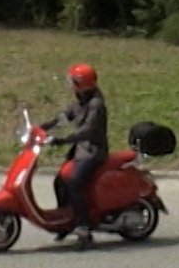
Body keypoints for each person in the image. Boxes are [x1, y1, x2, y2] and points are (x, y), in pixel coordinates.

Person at [43, 62, 108, 248]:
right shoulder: (80, 99)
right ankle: (66, 219)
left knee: (75, 181)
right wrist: (42, 127)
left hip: (93, 151)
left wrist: (62, 140)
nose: (71, 86)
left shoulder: (96, 104)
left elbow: (87, 131)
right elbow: (64, 117)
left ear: (82, 84)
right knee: (59, 181)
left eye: (74, 82)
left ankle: (84, 227)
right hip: (81, 149)